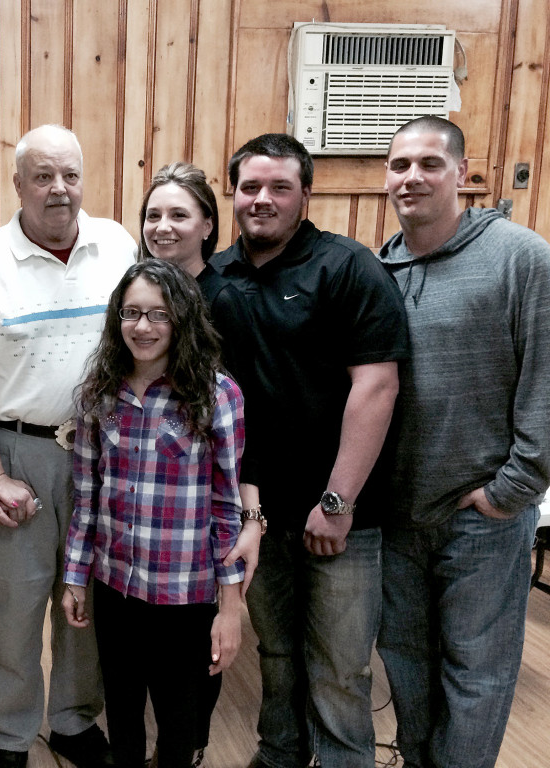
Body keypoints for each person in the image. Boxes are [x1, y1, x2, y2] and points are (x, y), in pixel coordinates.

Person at [211, 134, 408, 768]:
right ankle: (278, 755)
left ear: (305, 195)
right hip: (256, 514)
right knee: (278, 652)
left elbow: (377, 386)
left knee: (342, 665)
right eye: (250, 187)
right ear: (233, 192)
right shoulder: (214, 277)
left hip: (342, 513)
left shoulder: (348, 267)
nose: (261, 199)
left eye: (279, 188)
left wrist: (338, 501)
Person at [0, 124, 136, 768]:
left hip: (104, 454)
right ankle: (12, 732)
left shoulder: (116, 245)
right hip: (19, 452)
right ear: (18, 184)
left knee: (85, 597)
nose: (60, 190)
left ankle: (74, 721)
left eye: (71, 175)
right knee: (16, 602)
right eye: (44, 177)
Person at [376, 116, 550, 768]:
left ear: (461, 173)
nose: (411, 177)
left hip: (481, 516)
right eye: (399, 166)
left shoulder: (520, 257)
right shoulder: (381, 266)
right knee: (405, 659)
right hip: (398, 514)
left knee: (476, 672)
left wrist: (512, 490)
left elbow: (547, 379)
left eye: (428, 164)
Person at [62, 259, 245, 768]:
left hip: (186, 596)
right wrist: (76, 577)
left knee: (179, 725)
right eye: (131, 313)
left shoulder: (216, 394)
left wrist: (230, 611)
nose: (142, 327)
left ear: (183, 318)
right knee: (121, 718)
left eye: (159, 315)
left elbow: (228, 508)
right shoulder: (100, 391)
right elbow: (86, 496)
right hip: (117, 589)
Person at [138, 162, 264, 767]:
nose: (163, 227)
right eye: (153, 215)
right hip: (155, 513)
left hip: (214, 508)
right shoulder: (138, 296)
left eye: (178, 215)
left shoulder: (229, 300)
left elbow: (249, 417)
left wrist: (251, 515)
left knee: (202, 645)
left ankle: (187, 746)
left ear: (208, 226)